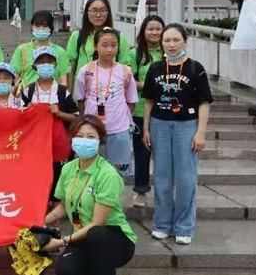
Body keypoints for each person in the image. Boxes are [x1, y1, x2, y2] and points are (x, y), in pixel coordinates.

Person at [142, 23, 212, 245]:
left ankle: (184, 226)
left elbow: (204, 103)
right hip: (159, 125)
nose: (171, 45)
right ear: (161, 43)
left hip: (186, 126)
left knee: (185, 178)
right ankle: (162, 224)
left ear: (185, 42)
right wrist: (146, 129)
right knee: (161, 177)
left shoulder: (195, 68)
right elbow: (149, 101)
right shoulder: (155, 68)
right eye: (167, 40)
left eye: (176, 40)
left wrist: (200, 132)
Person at [43, 115, 136, 275]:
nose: (84, 141)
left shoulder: (108, 174)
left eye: (91, 137)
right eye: (79, 136)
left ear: (100, 142)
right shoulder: (68, 168)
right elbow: (63, 207)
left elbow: (97, 223)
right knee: (66, 270)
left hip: (113, 238)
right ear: (71, 139)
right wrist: (39, 222)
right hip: (82, 236)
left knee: (97, 236)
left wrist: (61, 241)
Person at [74, 27, 138, 177]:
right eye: (104, 45)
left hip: (119, 129)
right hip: (92, 129)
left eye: (114, 45)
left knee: (117, 173)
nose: (109, 49)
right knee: (90, 171)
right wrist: (86, 120)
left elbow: (131, 101)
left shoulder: (125, 71)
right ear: (96, 46)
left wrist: (121, 119)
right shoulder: (86, 70)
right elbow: (80, 99)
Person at [21, 46, 79, 203]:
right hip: (35, 147)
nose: (45, 65)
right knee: (37, 182)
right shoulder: (28, 91)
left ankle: (56, 212)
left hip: (58, 146)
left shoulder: (62, 92)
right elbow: (19, 118)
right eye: (41, 62)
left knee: (57, 182)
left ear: (55, 65)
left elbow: (76, 117)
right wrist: (28, 111)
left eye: (49, 62)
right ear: (34, 66)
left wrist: (59, 114)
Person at [129, 15, 165, 208]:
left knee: (164, 154)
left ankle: (164, 191)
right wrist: (151, 86)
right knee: (142, 152)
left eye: (158, 29)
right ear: (143, 31)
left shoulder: (168, 52)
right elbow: (129, 81)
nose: (154, 32)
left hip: (166, 110)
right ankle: (141, 190)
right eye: (150, 28)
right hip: (141, 111)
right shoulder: (135, 54)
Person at [66, 0, 131, 89]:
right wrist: (69, 93)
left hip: (110, 92)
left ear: (108, 13)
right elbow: (70, 67)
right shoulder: (77, 36)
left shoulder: (119, 37)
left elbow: (125, 68)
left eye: (102, 10)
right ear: (87, 13)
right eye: (94, 10)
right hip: (82, 91)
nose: (98, 15)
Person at [11, 10, 70, 89]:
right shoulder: (21, 50)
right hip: (27, 94)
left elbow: (63, 81)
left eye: (45, 25)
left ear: (50, 27)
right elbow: (15, 77)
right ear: (32, 27)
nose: (41, 29)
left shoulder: (60, 51)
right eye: (37, 25)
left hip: (53, 95)